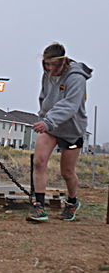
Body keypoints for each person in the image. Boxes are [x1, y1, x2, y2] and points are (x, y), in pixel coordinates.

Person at [27, 43, 92, 222]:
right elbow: (45, 97)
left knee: (67, 172)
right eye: (46, 64)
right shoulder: (47, 74)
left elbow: (70, 105)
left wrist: (48, 121)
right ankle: (38, 206)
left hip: (72, 129)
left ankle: (72, 202)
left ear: (63, 62)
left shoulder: (76, 78)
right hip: (51, 127)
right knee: (39, 161)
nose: (49, 68)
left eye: (53, 65)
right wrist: (44, 117)